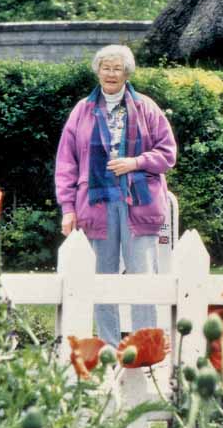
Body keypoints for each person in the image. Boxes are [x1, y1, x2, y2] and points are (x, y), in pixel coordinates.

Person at [55, 44, 177, 345]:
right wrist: (68, 208)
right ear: (97, 71)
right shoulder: (81, 111)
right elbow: (66, 163)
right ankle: (109, 346)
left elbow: (167, 153)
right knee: (100, 278)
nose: (111, 73)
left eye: (117, 68)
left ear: (127, 72)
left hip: (139, 204)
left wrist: (136, 162)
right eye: (106, 67)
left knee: (142, 278)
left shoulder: (147, 107)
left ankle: (145, 347)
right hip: (96, 205)